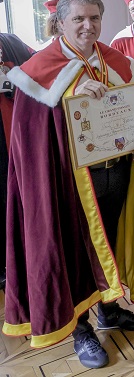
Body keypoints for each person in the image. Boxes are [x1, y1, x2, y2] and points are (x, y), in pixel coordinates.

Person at [4, 0, 134, 368]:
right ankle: (80, 328)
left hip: (117, 172)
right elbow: (34, 139)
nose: (88, 26)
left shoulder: (115, 61)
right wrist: (72, 97)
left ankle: (109, 310)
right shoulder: (37, 70)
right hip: (69, 182)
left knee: (110, 239)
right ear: (61, 23)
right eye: (78, 19)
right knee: (74, 251)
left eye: (94, 18)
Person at [0, 32, 33, 291]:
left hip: (19, 141)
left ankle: (22, 261)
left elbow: (39, 67)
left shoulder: (11, 42)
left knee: (19, 203)